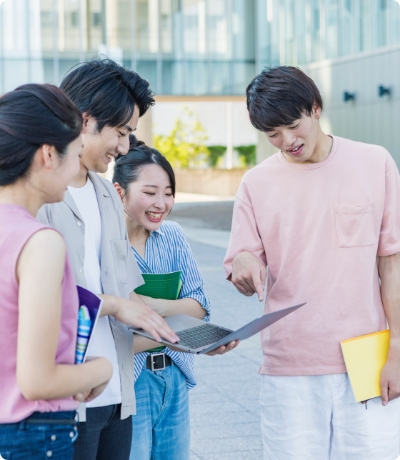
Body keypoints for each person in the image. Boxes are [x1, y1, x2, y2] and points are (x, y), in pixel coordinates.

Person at [223, 66, 400, 459]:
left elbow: (392, 263)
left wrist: (398, 350)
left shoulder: (375, 163)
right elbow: (242, 257)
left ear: (316, 108)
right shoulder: (256, 183)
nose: (286, 141)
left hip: (368, 357)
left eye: (292, 126)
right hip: (290, 362)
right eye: (272, 135)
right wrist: (246, 266)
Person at [37, 59, 178, 460]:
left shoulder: (107, 196)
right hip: (64, 397)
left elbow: (126, 294)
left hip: (118, 394)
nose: (125, 146)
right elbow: (38, 299)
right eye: (121, 132)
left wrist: (179, 335)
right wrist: (113, 305)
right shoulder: (38, 197)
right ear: (85, 121)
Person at [0, 84, 112, 460]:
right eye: (76, 155)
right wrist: (101, 369)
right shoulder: (40, 242)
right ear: (49, 154)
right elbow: (37, 381)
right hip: (34, 437)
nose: (76, 169)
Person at [113, 138, 239, 460]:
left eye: (168, 193)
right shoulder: (106, 244)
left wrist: (158, 308)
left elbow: (200, 305)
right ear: (119, 191)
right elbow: (116, 333)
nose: (161, 203)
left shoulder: (173, 235)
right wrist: (179, 325)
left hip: (175, 375)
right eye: (150, 192)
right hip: (132, 379)